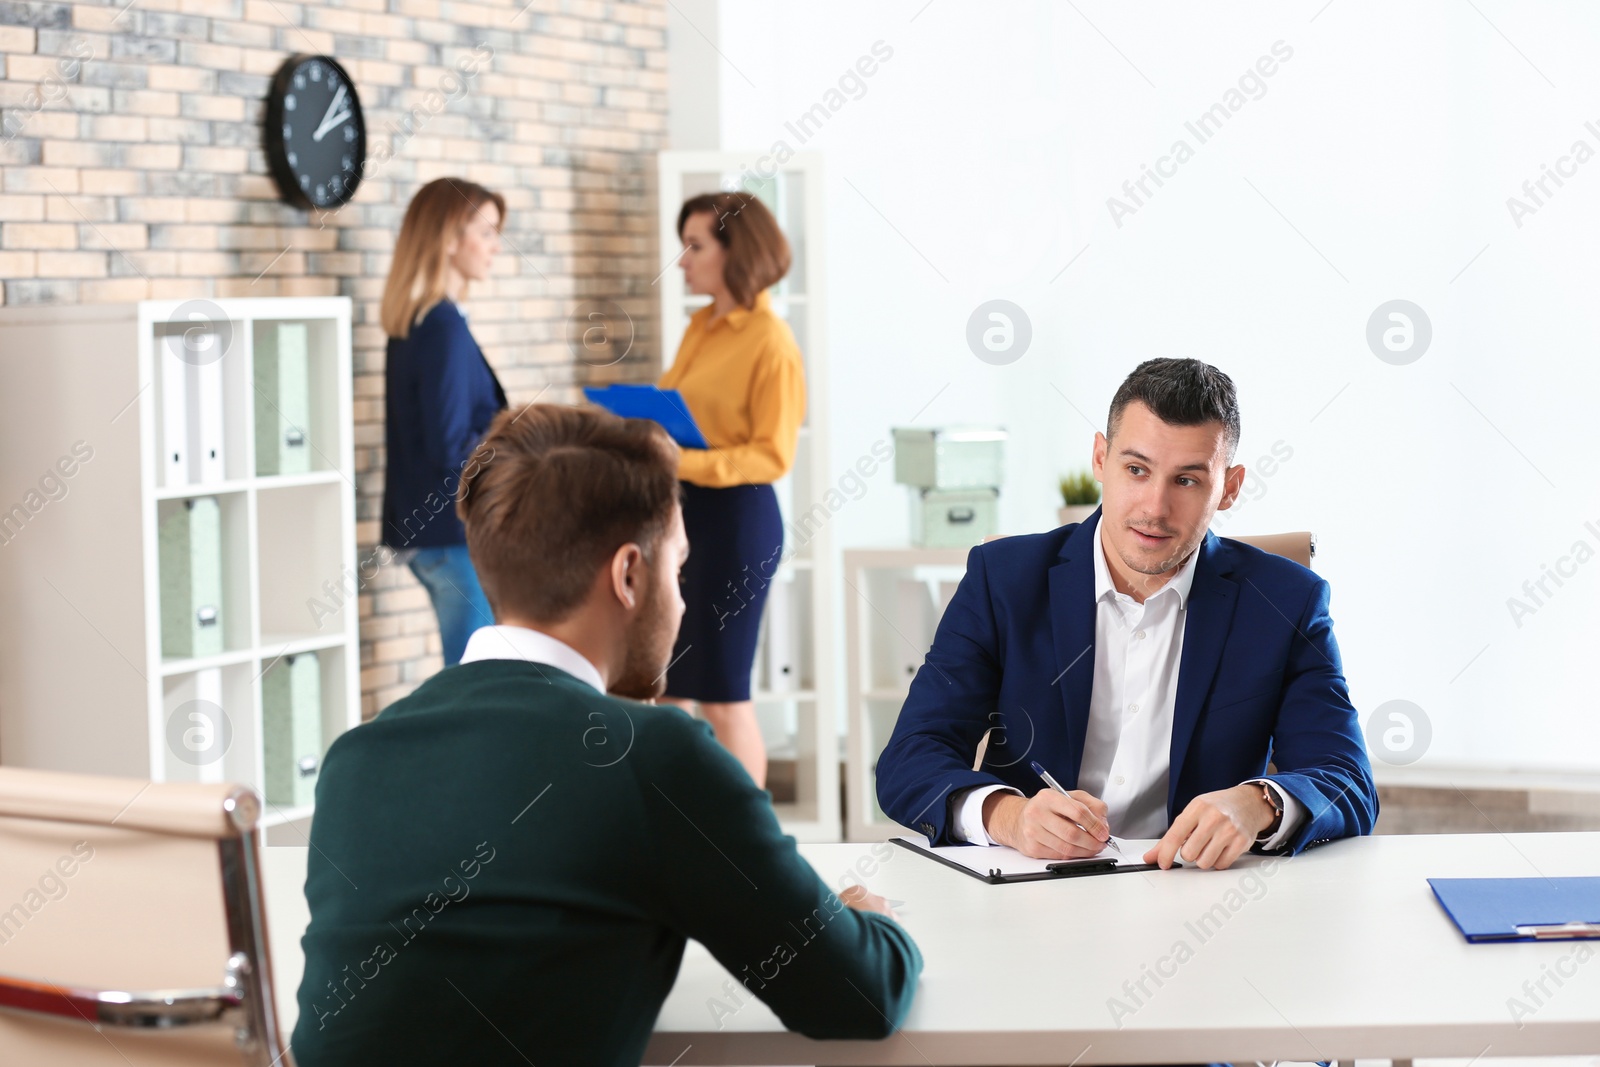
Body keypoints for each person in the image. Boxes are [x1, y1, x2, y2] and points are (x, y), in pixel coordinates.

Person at [293, 403, 921, 1067]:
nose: (682, 601)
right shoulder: (654, 756)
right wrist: (866, 921)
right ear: (628, 574)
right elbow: (860, 993)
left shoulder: (355, 758)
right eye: (678, 568)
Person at [876, 358, 1377, 870]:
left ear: (1229, 487)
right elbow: (910, 758)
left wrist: (1259, 803)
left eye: (1186, 480)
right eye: (1136, 470)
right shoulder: (1003, 579)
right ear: (1101, 458)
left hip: (1195, 889)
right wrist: (1009, 816)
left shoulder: (1287, 601)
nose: (1154, 508)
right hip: (1037, 887)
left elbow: (1348, 780)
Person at [655, 191, 805, 788]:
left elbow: (773, 453)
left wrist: (684, 461)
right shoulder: (700, 327)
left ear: (735, 252)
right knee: (668, 688)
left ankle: (750, 847)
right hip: (683, 522)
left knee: (721, 691)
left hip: (736, 524)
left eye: (694, 247)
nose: (683, 262)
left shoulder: (771, 341)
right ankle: (671, 833)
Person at [379, 177, 508, 666]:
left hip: (428, 535)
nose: (496, 247)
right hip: (453, 536)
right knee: (475, 680)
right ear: (450, 238)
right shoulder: (443, 326)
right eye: (488, 232)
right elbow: (453, 447)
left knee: (470, 674)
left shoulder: (417, 321)